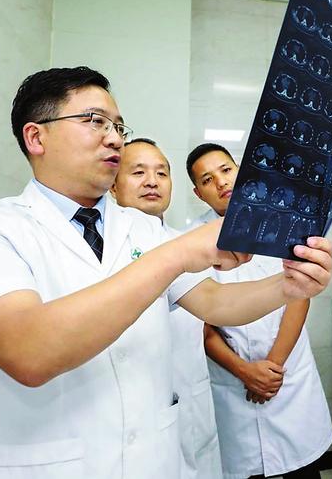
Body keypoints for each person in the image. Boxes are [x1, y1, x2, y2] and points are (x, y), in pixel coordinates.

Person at [0, 67, 332, 479]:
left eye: (118, 126)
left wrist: (288, 284)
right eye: (94, 121)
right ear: (36, 137)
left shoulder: (142, 229)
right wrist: (177, 254)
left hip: (151, 461)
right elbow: (28, 351)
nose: (114, 138)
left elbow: (217, 303)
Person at [186, 143, 332, 479]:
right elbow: (200, 321)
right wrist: (245, 372)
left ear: (241, 170)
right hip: (233, 383)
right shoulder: (191, 240)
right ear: (198, 193)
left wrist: (273, 367)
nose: (221, 182)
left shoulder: (286, 220)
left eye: (226, 170)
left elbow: (299, 295)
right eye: (207, 179)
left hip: (287, 377)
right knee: (245, 470)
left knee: (303, 470)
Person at [111, 137, 222, 479]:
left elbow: (214, 307)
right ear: (113, 186)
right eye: (138, 172)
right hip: (132, 418)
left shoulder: (188, 245)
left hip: (191, 401)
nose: (152, 181)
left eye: (161, 173)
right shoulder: (102, 251)